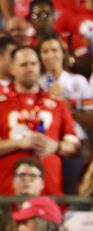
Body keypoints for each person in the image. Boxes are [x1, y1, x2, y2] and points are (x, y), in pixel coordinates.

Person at [0, 46, 80, 196]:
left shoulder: (58, 104)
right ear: (12, 69)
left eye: (33, 64)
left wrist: (55, 146)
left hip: (50, 190)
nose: (29, 69)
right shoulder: (1, 104)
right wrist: (18, 143)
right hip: (6, 193)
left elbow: (75, 147)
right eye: (23, 65)